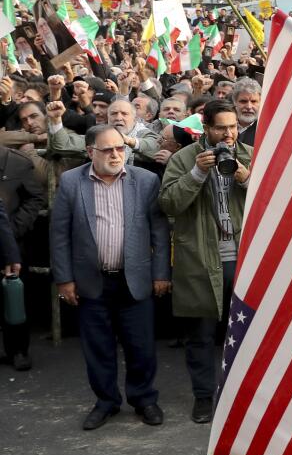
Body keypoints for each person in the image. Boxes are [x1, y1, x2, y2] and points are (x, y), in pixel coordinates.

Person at [50, 125, 171, 430]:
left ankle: (144, 399)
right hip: (91, 281)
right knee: (98, 348)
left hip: (136, 279)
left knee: (141, 346)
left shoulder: (145, 181)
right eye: (108, 150)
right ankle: (106, 402)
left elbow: (159, 231)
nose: (116, 155)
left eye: (120, 148)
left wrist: (160, 274)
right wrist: (64, 280)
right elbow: (59, 234)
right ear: (90, 152)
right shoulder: (70, 182)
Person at [159, 100, 253, 424]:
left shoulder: (252, 155)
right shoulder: (184, 158)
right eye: (220, 128)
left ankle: (241, 398)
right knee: (200, 335)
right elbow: (169, 203)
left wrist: (246, 179)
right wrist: (197, 172)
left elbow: (277, 203)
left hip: (244, 259)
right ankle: (203, 397)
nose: (228, 135)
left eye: (232, 127)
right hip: (200, 259)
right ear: (206, 127)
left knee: (245, 332)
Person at [0, 143, 47, 371]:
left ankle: (18, 350)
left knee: (14, 296)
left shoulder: (16, 162)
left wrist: (14, 228)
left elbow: (35, 198)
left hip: (11, 241)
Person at [230, 78, 261, 146]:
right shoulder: (225, 124)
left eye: (253, 101)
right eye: (243, 101)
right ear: (235, 103)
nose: (249, 107)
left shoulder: (266, 130)